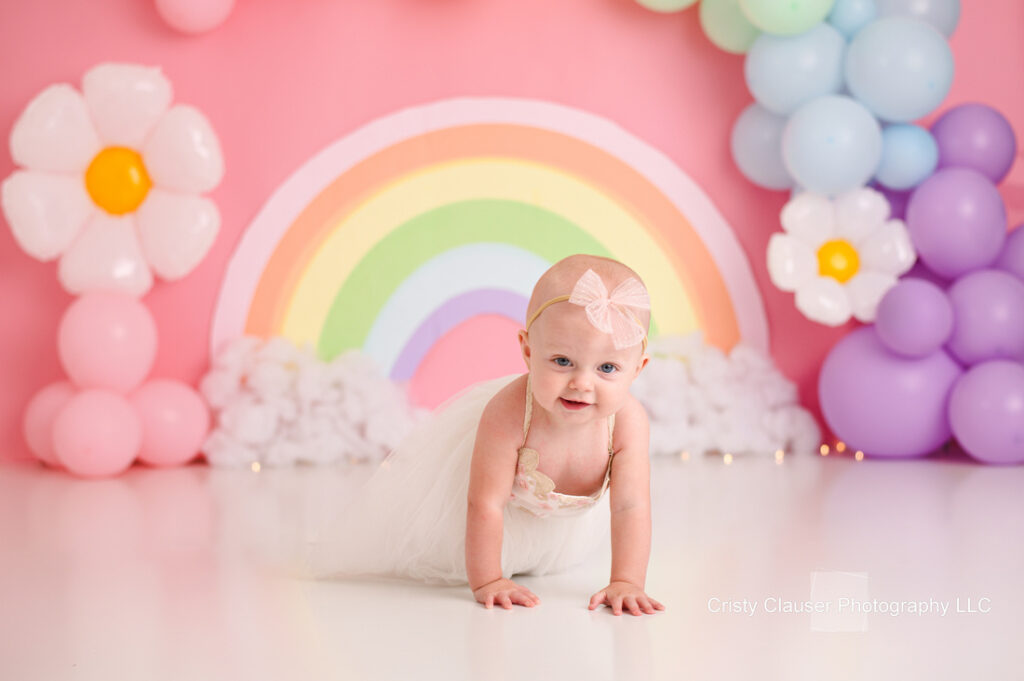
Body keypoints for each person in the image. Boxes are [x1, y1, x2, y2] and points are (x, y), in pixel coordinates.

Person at [305, 254, 665, 617]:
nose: (581, 383)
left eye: (607, 368)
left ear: (638, 369)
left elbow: (630, 506)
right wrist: (488, 580)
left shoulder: (628, 422)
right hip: (490, 518)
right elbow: (485, 504)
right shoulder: (508, 414)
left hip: (561, 529)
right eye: (561, 361)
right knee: (445, 552)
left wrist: (627, 581)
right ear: (527, 350)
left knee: (552, 559)